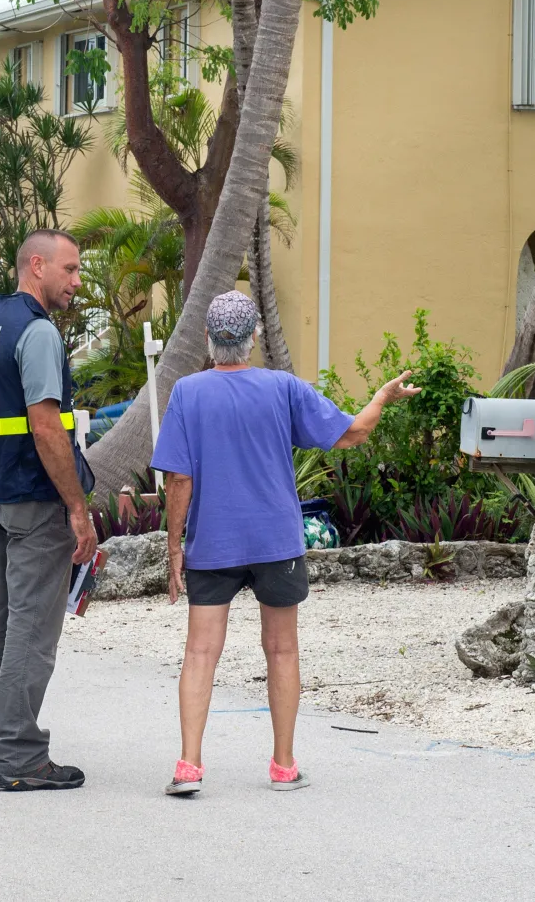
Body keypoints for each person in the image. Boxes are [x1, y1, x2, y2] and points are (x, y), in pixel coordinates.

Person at [151, 290, 420, 795]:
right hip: (276, 541)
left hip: (214, 541)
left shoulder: (187, 393)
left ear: (209, 340)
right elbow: (353, 434)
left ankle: (189, 766)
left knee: (200, 652)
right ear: (254, 337)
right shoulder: (283, 388)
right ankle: (283, 766)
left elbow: (178, 480)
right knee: (282, 650)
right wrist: (382, 397)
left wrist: (174, 547)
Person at [0, 229, 98, 792]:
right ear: (37, 266)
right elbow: (47, 427)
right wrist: (77, 508)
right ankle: (21, 754)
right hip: (34, 497)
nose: (76, 281)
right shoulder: (38, 332)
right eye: (69, 270)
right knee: (32, 626)